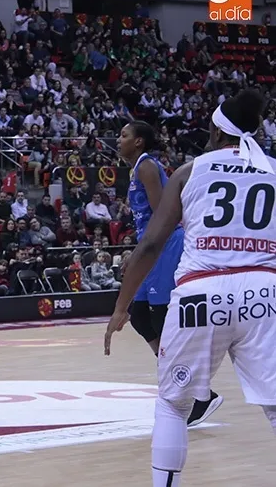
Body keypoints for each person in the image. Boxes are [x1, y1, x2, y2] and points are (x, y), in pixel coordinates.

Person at [105, 90, 276, 487]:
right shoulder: (273, 170)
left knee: (173, 403)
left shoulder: (189, 171)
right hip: (263, 292)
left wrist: (121, 306)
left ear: (217, 131)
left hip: (202, 291)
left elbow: (150, 244)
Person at [117, 120, 223, 425]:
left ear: (139, 142)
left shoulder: (147, 166)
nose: (119, 139)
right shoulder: (138, 167)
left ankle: (202, 393)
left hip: (164, 243)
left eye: (124, 135)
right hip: (150, 243)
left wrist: (144, 251)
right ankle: (179, 377)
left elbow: (164, 213)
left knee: (159, 315)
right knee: (138, 315)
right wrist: (136, 252)